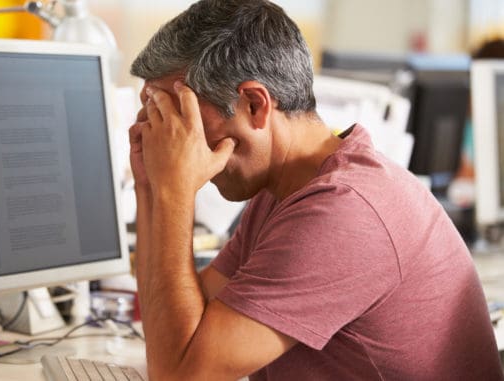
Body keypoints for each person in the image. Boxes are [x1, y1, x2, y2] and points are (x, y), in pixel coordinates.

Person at [128, 1, 503, 380]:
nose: (170, 141)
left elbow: (180, 375)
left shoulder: (343, 210)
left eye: (177, 120)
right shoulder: (285, 192)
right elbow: (174, 325)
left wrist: (172, 192)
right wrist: (148, 185)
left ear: (255, 105)